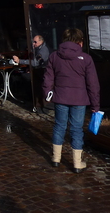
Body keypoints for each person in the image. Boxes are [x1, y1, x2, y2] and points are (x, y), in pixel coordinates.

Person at [41, 27, 100, 173]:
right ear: (80, 42)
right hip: (79, 100)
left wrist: (47, 93)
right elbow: (93, 84)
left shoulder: (55, 56)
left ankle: (56, 158)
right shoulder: (86, 59)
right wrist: (95, 104)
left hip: (60, 97)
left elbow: (48, 77)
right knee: (76, 129)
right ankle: (77, 163)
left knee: (59, 126)